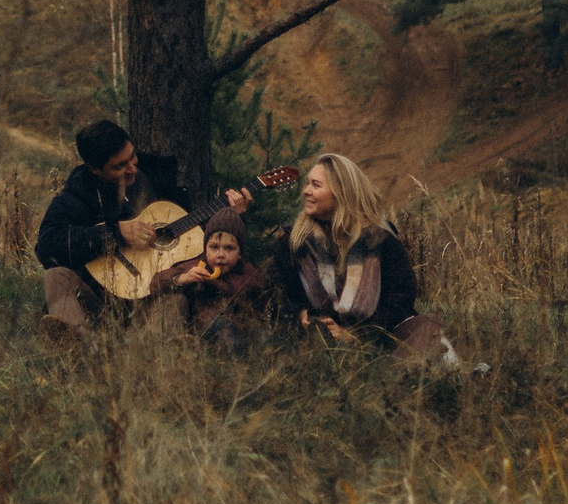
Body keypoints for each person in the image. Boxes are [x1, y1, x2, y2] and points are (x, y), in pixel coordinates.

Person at [34, 118, 251, 336]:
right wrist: (115, 233)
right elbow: (47, 245)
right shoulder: (79, 192)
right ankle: (81, 343)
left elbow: (194, 238)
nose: (132, 169)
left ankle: (144, 358)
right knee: (56, 276)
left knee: (176, 300)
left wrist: (232, 216)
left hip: (154, 297)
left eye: (132, 157)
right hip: (100, 300)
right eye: (119, 166)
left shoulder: (156, 175)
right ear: (94, 169)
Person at [276, 152, 459, 368]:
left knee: (425, 325)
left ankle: (398, 371)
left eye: (316, 185)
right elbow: (279, 296)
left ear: (341, 193)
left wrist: (356, 335)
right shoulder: (294, 242)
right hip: (321, 344)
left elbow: (401, 298)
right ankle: (397, 374)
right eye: (308, 184)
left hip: (379, 335)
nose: (306, 191)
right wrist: (302, 315)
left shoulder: (380, 238)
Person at [149, 206, 269, 353]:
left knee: (257, 336)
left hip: (234, 328)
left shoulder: (248, 274)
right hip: (199, 327)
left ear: (240, 253)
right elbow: (155, 283)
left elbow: (257, 301)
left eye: (229, 248)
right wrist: (181, 279)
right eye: (214, 247)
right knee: (175, 300)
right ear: (205, 248)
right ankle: (167, 351)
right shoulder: (196, 266)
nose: (220, 254)